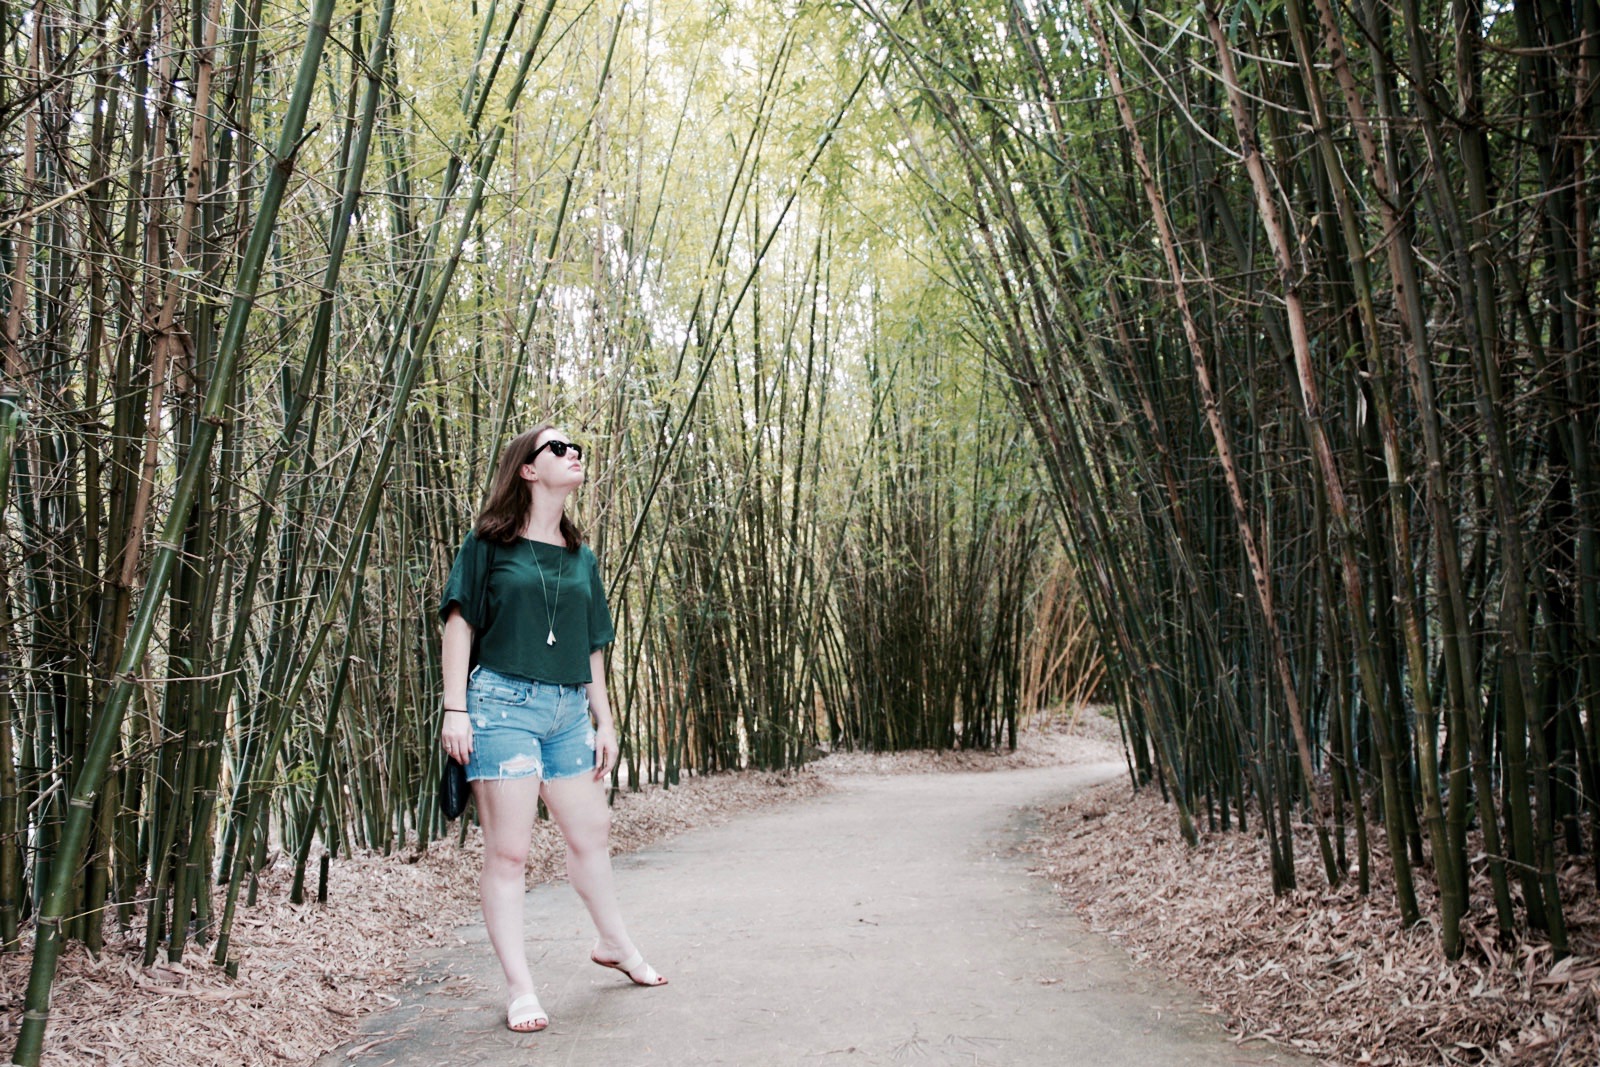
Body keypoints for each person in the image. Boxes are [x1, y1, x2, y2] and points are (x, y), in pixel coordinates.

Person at [437, 423, 667, 1034]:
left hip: (568, 712)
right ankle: (520, 988)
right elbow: (457, 623)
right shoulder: (487, 544)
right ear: (528, 470)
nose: (575, 456)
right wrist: (453, 708)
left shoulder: (580, 555)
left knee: (592, 832)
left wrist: (605, 719)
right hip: (500, 704)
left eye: (579, 449)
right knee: (509, 852)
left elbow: (593, 645)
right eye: (560, 449)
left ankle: (615, 943)